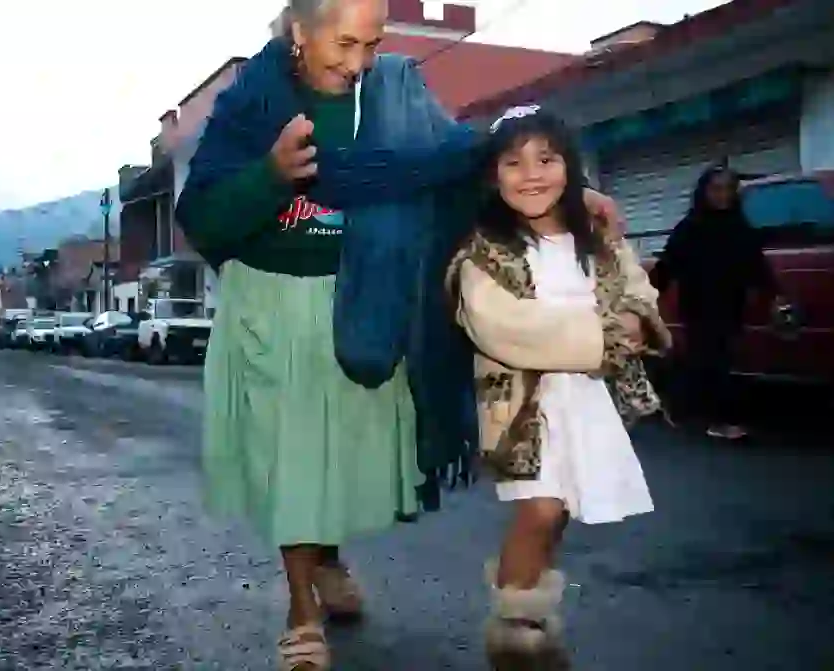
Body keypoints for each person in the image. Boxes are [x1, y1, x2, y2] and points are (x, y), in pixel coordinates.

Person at [176, 2, 625, 668]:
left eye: (373, 43)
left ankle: (325, 556)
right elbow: (203, 220)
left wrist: (569, 197)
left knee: (338, 459)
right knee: (295, 458)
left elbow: (465, 161)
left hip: (372, 301)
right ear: (300, 32)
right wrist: (270, 173)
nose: (360, 63)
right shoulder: (249, 107)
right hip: (272, 305)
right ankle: (302, 612)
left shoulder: (394, 89)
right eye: (344, 43)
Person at [446, 107, 669, 668]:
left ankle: (534, 614)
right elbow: (504, 328)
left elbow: (636, 286)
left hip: (588, 399)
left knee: (564, 508)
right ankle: (516, 635)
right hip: (523, 405)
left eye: (546, 158)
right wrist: (607, 335)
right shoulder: (485, 253)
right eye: (514, 162)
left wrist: (641, 316)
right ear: (493, 175)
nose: (532, 174)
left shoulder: (595, 238)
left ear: (570, 167)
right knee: (540, 509)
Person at [649, 165, 780, 439]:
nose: (722, 196)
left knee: (710, 362)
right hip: (698, 306)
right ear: (704, 193)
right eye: (716, 189)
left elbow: (756, 265)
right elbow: (668, 265)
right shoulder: (691, 227)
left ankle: (679, 408)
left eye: (728, 190)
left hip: (731, 304)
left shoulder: (738, 226)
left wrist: (774, 293)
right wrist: (645, 298)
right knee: (712, 361)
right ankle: (718, 421)